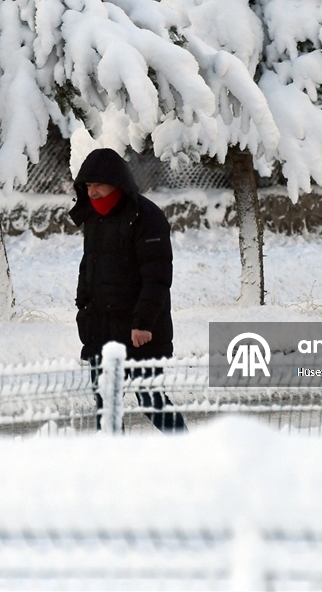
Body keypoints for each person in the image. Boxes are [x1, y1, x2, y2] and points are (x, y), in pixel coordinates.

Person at [69, 148, 186, 432]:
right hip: (101, 329)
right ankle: (113, 458)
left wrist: (143, 323)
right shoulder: (93, 216)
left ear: (116, 182)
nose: (92, 192)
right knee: (106, 405)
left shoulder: (146, 217)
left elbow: (157, 276)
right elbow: (90, 266)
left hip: (139, 334)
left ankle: (188, 448)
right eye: (88, 185)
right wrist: (84, 308)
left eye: (99, 185)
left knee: (151, 400)